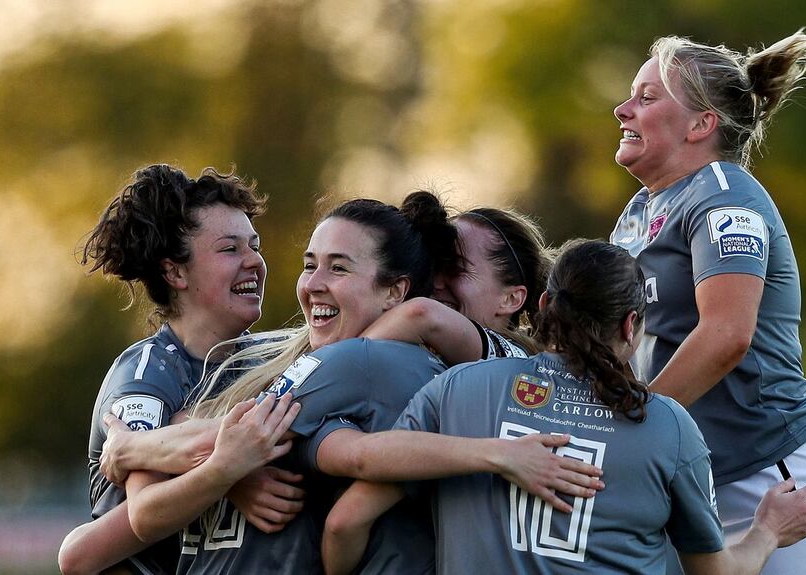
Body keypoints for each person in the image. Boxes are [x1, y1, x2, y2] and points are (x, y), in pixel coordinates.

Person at [98, 192, 600, 574]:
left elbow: (343, 474)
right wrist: (226, 477)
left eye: (453, 269)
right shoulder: (255, 358)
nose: (439, 283)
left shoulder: (391, 364)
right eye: (309, 264)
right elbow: (343, 453)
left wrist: (133, 450)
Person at [322, 239, 806, 574]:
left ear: (543, 306)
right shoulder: (668, 425)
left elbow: (344, 524)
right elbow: (712, 573)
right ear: (631, 326)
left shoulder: (459, 389)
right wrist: (767, 532)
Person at [609, 30, 806, 573]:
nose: (622, 110)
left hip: (782, 476)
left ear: (701, 124)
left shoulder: (723, 193)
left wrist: (627, 427)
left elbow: (726, 335)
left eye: (646, 97)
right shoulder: (638, 213)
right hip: (698, 482)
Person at [58, 165, 304, 575]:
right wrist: (226, 476)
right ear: (175, 271)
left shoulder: (266, 356)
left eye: (254, 246)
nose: (255, 262)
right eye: (230, 249)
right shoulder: (146, 377)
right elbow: (132, 520)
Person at [363, 206, 551, 363]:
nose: (436, 282)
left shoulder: (519, 360)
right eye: (436, 265)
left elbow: (421, 313)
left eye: (456, 270)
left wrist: (341, 358)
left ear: (510, 299)